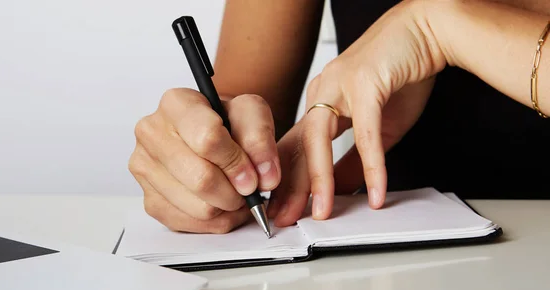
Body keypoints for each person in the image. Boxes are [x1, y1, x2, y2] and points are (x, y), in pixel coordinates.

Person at [128, 0, 550, 234]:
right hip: (392, 270)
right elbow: (240, 105)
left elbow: (432, 27)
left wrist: (437, 28)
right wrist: (200, 151)